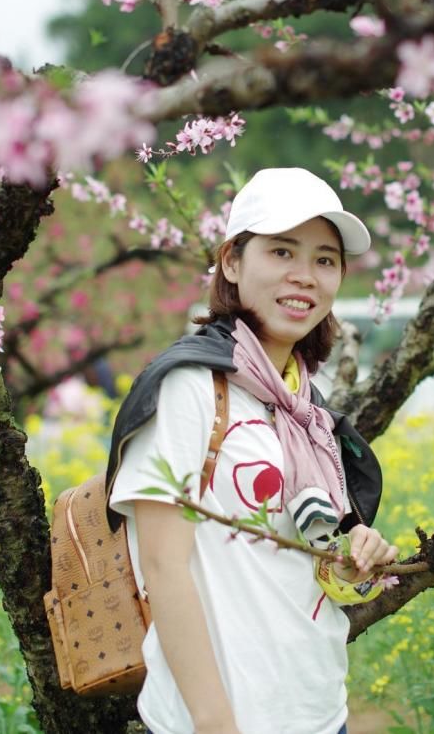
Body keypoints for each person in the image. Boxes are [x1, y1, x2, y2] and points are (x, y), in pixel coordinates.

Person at [107, 167, 399, 734]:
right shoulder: (189, 387)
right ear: (233, 262)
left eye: (324, 259)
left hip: (318, 710)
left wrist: (355, 550)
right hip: (223, 720)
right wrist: (215, 724)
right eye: (282, 252)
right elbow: (163, 568)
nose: (305, 276)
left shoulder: (307, 406)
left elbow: (305, 563)